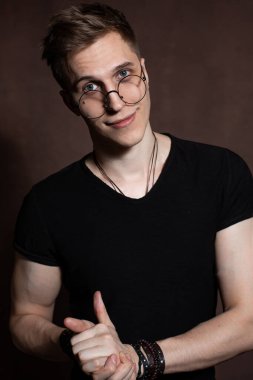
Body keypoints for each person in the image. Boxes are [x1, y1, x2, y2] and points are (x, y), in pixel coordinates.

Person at [9, 3, 253, 380]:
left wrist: (140, 359)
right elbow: (25, 318)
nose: (115, 101)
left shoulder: (220, 173)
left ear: (145, 72)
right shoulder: (46, 203)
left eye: (124, 74)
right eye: (90, 87)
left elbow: (248, 319)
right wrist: (71, 343)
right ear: (70, 102)